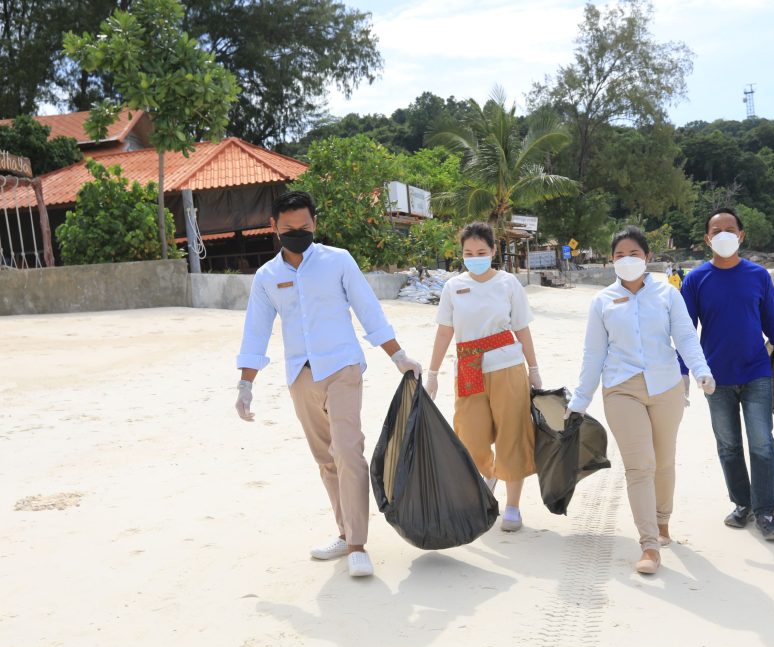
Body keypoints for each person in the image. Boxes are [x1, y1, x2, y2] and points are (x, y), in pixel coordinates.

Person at [235, 190, 422, 578]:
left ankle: (357, 545)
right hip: (300, 376)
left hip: (342, 367)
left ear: (315, 224)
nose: (297, 234)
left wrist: (398, 355)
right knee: (325, 459)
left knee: (348, 450)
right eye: (289, 229)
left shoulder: (338, 261)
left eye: (304, 227)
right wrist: (245, 384)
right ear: (274, 228)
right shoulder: (268, 276)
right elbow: (256, 329)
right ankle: (343, 531)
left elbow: (368, 309)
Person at [568, 227, 714, 575]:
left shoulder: (667, 293)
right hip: (621, 387)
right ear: (611, 260)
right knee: (640, 465)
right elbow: (594, 353)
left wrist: (701, 371)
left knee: (664, 460)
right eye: (619, 255)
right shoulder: (602, 301)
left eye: (634, 253)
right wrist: (580, 400)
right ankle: (649, 544)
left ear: (648, 257)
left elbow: (684, 336)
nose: (626, 260)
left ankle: (662, 523)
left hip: (665, 386)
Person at [678, 208, 774, 541]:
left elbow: (772, 323)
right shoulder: (696, 280)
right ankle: (742, 504)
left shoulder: (758, 276)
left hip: (756, 373)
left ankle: (766, 511)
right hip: (715, 379)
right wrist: (684, 372)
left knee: (762, 444)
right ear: (707, 239)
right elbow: (684, 331)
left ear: (741, 235)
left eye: (730, 229)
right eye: (716, 230)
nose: (724, 234)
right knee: (728, 445)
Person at [424, 222, 541, 532]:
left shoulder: (508, 284)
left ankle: (513, 506)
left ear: (493, 251)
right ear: (461, 254)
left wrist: (534, 369)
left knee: (512, 433)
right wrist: (432, 373)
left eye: (481, 251)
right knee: (470, 437)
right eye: (468, 252)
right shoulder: (453, 287)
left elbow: (522, 328)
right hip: (468, 367)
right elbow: (445, 331)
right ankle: (487, 477)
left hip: (507, 366)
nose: (474, 257)